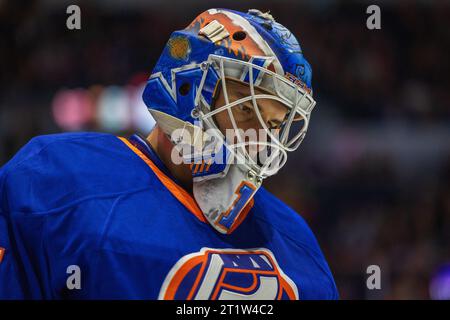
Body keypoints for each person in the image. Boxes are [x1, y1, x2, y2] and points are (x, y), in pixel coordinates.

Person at [0, 8, 338, 299]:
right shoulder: (56, 178)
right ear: (186, 87)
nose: (261, 139)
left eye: (275, 124)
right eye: (246, 111)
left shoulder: (295, 243)